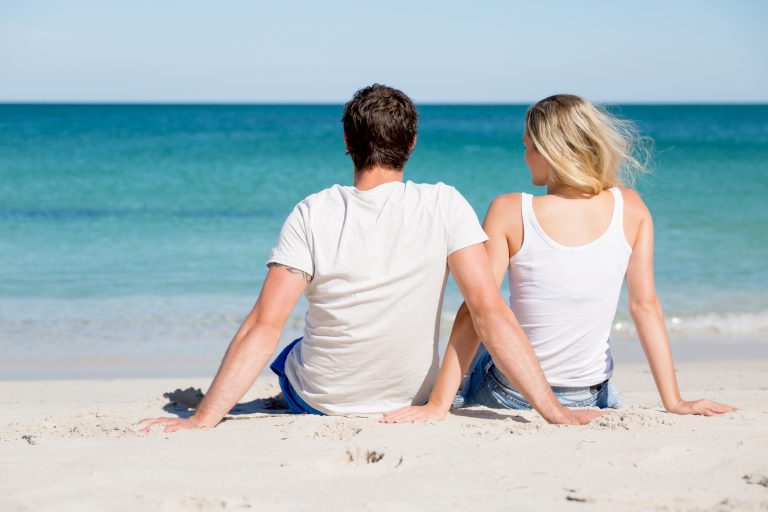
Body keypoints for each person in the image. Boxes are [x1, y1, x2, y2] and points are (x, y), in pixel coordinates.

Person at [138, 86, 601, 433]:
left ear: (347, 140)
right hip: (412, 397)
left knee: (286, 353)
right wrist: (553, 411)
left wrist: (203, 418)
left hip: (322, 401)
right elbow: (489, 311)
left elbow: (263, 324)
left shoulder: (312, 211)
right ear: (412, 143)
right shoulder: (445, 203)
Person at [382, 94, 735, 424]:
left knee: (488, 325)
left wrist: (437, 405)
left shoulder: (510, 210)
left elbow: (476, 312)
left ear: (547, 150)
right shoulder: (631, 208)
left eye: (527, 147)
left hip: (511, 394)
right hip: (590, 395)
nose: (524, 156)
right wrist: (674, 400)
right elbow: (645, 307)